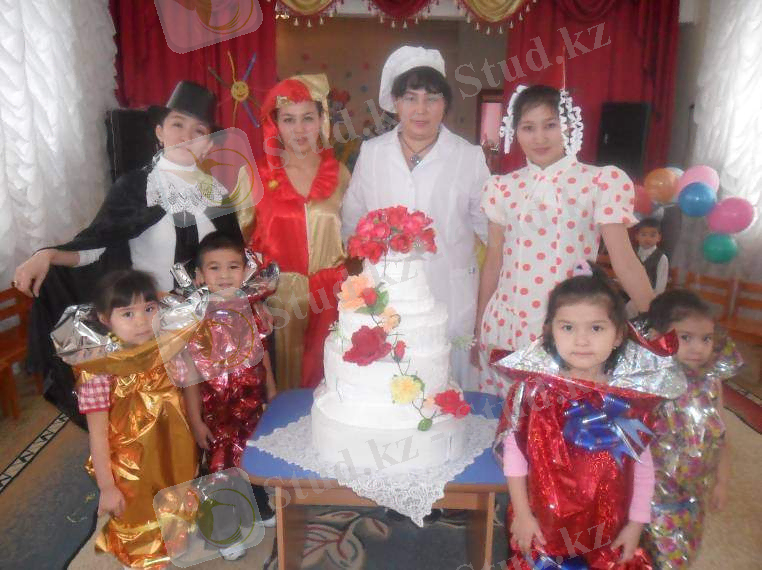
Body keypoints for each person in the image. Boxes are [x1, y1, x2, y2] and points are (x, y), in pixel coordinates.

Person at [13, 81, 243, 423]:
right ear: (159, 131)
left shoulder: (218, 195)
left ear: (208, 143)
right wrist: (47, 255)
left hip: (206, 321)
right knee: (159, 418)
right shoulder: (135, 188)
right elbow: (95, 246)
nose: (186, 136)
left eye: (198, 130)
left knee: (214, 411)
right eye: (177, 124)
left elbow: (233, 258)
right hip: (150, 326)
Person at [492, 264, 685, 569]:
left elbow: (643, 467)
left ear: (618, 335)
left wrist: (636, 525)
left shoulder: (630, 401)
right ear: (550, 332)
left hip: (606, 533)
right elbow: (515, 453)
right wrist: (523, 514)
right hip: (544, 527)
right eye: (568, 328)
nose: (581, 340)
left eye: (596, 328)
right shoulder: (533, 392)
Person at [476, 84, 654, 397]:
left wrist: (657, 323)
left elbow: (625, 260)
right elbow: (493, 261)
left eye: (550, 125)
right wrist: (479, 324)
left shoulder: (599, 181)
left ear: (569, 127)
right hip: (506, 323)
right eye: (528, 127)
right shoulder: (501, 187)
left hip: (572, 328)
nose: (539, 137)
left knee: (563, 415)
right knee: (508, 413)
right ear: (514, 132)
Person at [342, 46, 490, 391]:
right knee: (386, 391)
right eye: (410, 98)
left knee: (444, 391)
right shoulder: (373, 153)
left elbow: (489, 230)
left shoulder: (468, 158)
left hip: (449, 297)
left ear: (445, 104)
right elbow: (352, 222)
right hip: (387, 295)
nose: (421, 109)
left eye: (432, 98)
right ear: (396, 103)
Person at [53, 270, 198, 568]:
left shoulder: (166, 348)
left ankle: (173, 539)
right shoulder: (99, 370)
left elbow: (185, 389)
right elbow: (97, 435)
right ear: (106, 320)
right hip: (132, 464)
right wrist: (107, 486)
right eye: (128, 313)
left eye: (149, 309)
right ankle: (142, 554)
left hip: (174, 451)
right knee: (137, 510)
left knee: (175, 495)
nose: (142, 321)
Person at [234, 74, 350, 391]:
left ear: (322, 120)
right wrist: (251, 300)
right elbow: (237, 245)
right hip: (277, 300)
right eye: (289, 119)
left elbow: (353, 235)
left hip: (331, 297)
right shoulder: (253, 175)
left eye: (307, 118)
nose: (299, 130)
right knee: (282, 386)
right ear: (276, 124)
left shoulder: (340, 174)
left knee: (331, 382)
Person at [175, 232, 277, 561]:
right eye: (214, 267)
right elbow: (189, 377)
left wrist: (272, 392)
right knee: (219, 470)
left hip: (251, 405)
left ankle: (259, 504)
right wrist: (195, 420)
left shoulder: (252, 309)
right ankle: (223, 529)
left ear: (245, 271)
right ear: (199, 276)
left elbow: (262, 355)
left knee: (253, 457)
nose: (224, 275)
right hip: (215, 414)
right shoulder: (193, 321)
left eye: (233, 267)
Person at [643, 290, 743, 568]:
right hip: (653, 499)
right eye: (685, 337)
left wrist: (722, 480)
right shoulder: (650, 382)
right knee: (654, 556)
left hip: (692, 498)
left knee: (684, 550)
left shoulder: (711, 382)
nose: (698, 348)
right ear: (658, 337)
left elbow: (720, 434)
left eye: (706, 339)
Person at [633, 217, 669, 295]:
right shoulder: (632, 253)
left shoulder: (662, 258)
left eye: (652, 235)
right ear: (637, 236)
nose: (647, 239)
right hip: (629, 293)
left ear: (659, 238)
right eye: (643, 235)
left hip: (650, 296)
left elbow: (661, 284)